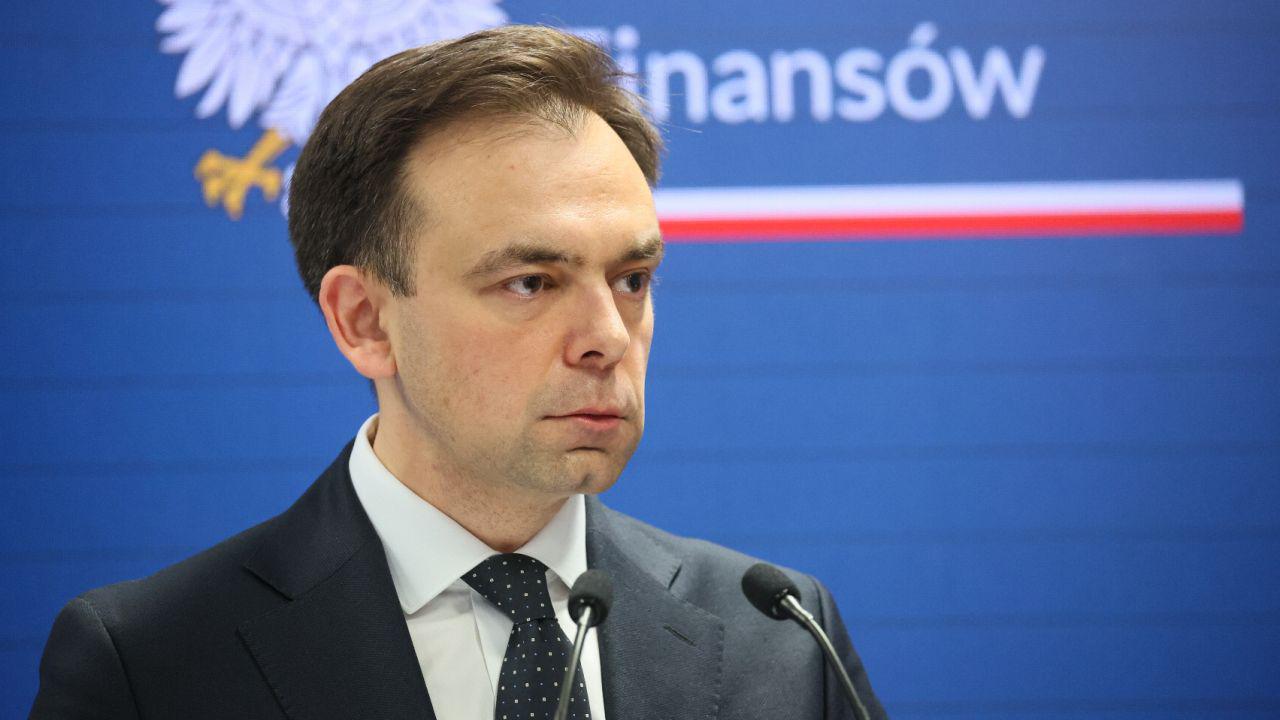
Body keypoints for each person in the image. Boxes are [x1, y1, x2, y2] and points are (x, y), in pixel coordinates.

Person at [30, 25, 887, 720]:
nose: (606, 337)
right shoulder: (151, 664)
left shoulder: (781, 635)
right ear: (365, 321)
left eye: (632, 279)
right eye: (531, 282)